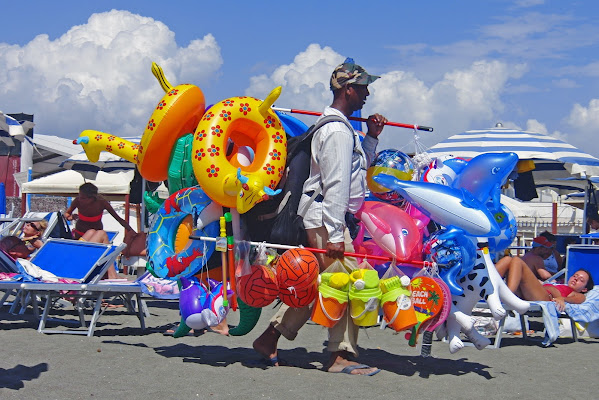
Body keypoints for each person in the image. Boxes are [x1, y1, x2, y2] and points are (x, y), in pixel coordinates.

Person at [252, 59, 387, 376]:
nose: (368, 95)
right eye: (364, 88)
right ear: (349, 90)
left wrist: (372, 137)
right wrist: (337, 235)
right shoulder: (338, 130)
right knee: (349, 284)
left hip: (321, 215)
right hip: (327, 217)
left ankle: (270, 337)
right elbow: (337, 184)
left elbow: (352, 172)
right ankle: (340, 355)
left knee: (314, 283)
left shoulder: (338, 128)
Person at [496, 257, 594, 312]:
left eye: (581, 280)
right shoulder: (562, 285)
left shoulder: (577, 293)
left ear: (584, 289)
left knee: (517, 260)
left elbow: (578, 299)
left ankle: (507, 295)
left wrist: (562, 298)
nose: (576, 279)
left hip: (545, 297)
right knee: (508, 259)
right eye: (575, 276)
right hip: (531, 293)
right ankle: (484, 287)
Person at [64, 182, 133, 243]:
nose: (79, 199)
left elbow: (118, 219)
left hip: (96, 234)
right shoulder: (77, 201)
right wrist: (70, 217)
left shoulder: (102, 202)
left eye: (83, 198)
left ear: (92, 198)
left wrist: (131, 231)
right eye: (79, 196)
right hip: (79, 233)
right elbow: (67, 214)